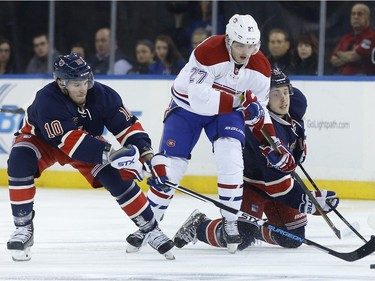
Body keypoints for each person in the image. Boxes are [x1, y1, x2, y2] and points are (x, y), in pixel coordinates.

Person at [128, 14, 296, 255]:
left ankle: (230, 221)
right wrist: (240, 101)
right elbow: (200, 99)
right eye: (240, 44)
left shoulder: (261, 68)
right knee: (171, 167)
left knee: (231, 157)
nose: (245, 52)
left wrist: (272, 143)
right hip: (186, 108)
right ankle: (148, 226)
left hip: (226, 111)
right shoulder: (208, 51)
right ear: (228, 40)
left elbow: (259, 110)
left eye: (251, 45)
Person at [6, 53, 174, 262]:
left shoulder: (103, 95)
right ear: (61, 83)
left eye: (85, 81)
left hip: (86, 140)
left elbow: (127, 127)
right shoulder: (46, 99)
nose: (83, 88)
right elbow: (69, 142)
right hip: (41, 141)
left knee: (116, 178)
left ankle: (151, 228)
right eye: (76, 83)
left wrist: (148, 156)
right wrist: (113, 155)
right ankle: (23, 228)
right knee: (19, 161)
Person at [173, 68, 340, 251]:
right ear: (264, 98)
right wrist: (310, 202)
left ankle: (256, 231)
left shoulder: (296, 104)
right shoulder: (259, 132)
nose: (284, 99)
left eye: (285, 91)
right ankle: (198, 226)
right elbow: (278, 187)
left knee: (293, 238)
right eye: (275, 94)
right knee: (240, 238)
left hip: (279, 181)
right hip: (252, 185)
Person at [330, 3, 375, 75]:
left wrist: (342, 55)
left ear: (368, 17)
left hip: (364, 81)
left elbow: (354, 57)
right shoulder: (346, 38)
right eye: (353, 14)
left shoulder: (371, 37)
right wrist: (348, 57)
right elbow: (333, 60)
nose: (355, 17)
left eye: (360, 14)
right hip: (343, 79)